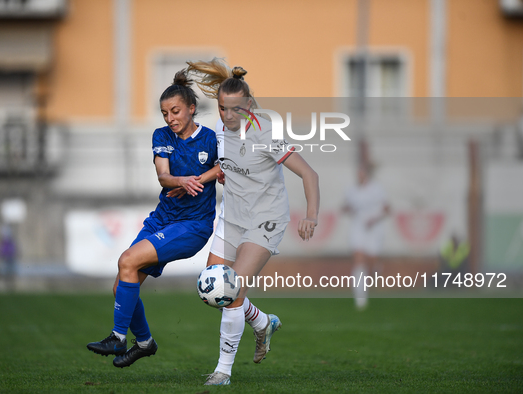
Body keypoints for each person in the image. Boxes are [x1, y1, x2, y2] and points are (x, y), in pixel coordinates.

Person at [185, 58, 320, 385]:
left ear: (248, 105)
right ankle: (261, 322)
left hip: (265, 220)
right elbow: (228, 162)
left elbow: (309, 173)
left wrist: (311, 216)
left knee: (230, 290)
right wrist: (222, 174)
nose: (228, 116)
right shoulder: (219, 129)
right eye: (222, 109)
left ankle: (223, 372)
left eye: (235, 109)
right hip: (231, 218)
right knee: (213, 289)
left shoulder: (266, 133)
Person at [86, 70, 220, 369]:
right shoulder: (161, 136)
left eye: (175, 111)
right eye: (164, 113)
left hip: (193, 226)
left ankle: (119, 337)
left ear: (191, 109)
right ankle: (144, 342)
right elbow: (163, 177)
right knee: (121, 285)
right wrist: (179, 181)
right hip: (161, 219)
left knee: (127, 260)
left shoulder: (211, 138)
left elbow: (224, 169)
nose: (170, 118)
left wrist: (197, 179)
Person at [341, 163, 390, 310]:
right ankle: (360, 299)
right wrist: (347, 209)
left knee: (371, 264)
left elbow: (387, 209)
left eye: (362, 172)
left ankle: (375, 269)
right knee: (358, 261)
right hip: (358, 228)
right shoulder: (352, 190)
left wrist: (374, 219)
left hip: (374, 229)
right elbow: (346, 206)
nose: (359, 175)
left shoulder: (376, 189)